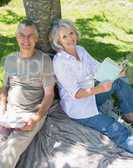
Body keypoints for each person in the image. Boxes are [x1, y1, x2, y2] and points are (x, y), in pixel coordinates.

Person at [50, 19, 133, 154]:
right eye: (64, 36)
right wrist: (101, 89)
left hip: (92, 97)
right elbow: (76, 93)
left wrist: (117, 71)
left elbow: (97, 69)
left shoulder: (80, 50)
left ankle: (130, 114)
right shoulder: (60, 62)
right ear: (58, 41)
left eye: (71, 33)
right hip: (79, 108)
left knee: (119, 80)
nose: (70, 38)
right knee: (117, 129)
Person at [0, 19, 55, 168]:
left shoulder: (44, 60)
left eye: (30, 35)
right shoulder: (10, 59)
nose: (26, 40)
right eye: (22, 35)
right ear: (17, 37)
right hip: (9, 113)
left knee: (9, 153)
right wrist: (2, 107)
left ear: (36, 38)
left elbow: (49, 94)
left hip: (29, 114)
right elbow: (4, 88)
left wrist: (36, 118)